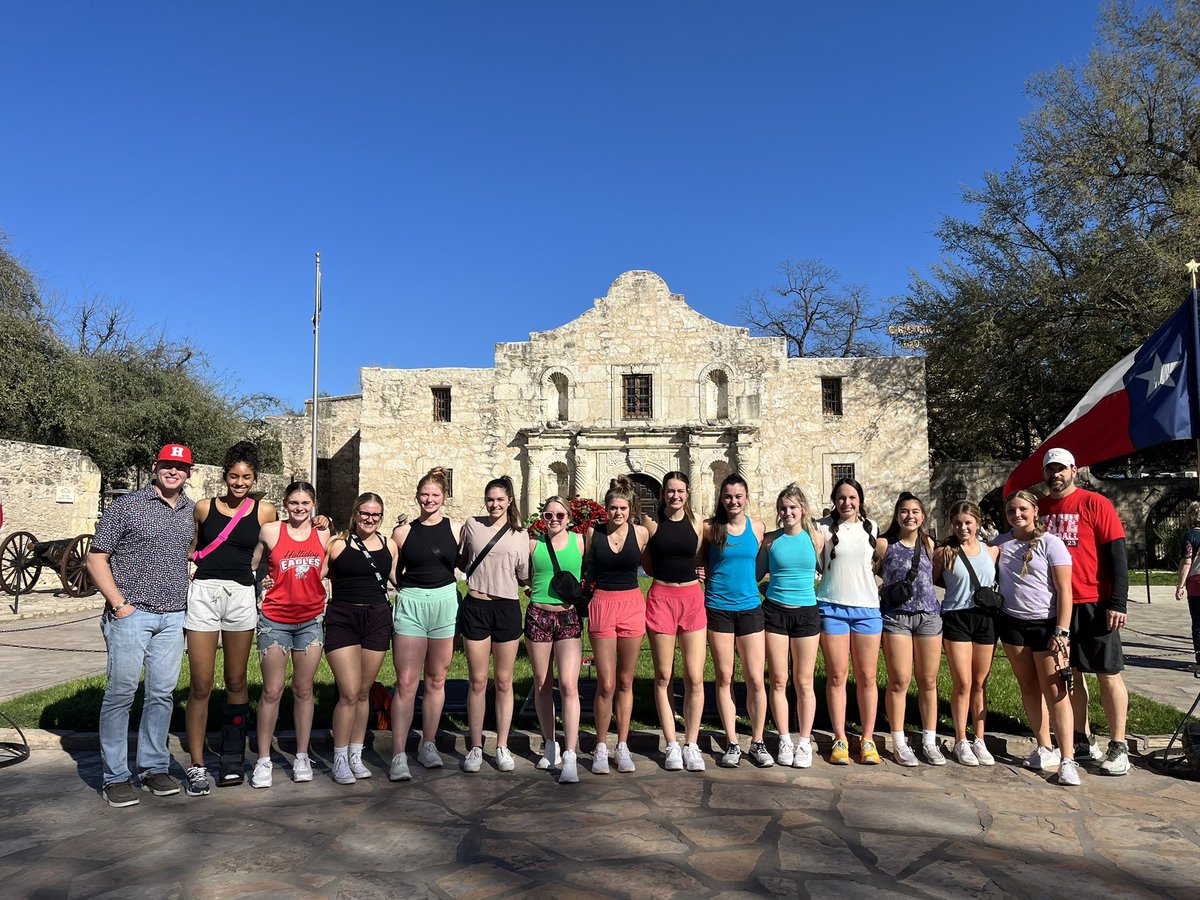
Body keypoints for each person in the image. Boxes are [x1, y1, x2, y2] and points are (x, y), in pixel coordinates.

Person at [88, 443, 197, 808]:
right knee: (121, 694)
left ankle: (152, 767)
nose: (173, 472)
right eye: (167, 465)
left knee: (161, 695)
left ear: (189, 473)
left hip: (172, 616)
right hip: (131, 615)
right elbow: (96, 557)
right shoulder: (127, 506)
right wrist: (119, 605)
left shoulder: (188, 511)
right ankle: (115, 776)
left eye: (180, 467)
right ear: (155, 467)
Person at [184, 441, 278, 792]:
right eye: (234, 476)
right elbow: (191, 548)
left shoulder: (265, 511)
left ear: (254, 479)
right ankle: (196, 763)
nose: (240, 483)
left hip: (241, 594)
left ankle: (232, 757)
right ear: (224, 476)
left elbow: (282, 542)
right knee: (201, 684)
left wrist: (322, 520)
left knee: (237, 681)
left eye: (247, 477)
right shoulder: (204, 508)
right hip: (205, 593)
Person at [1038, 447, 1131, 776]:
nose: (1055, 475)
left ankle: (1119, 745)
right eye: (1050, 469)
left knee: (1108, 674)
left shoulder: (1095, 503)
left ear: (1074, 470)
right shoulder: (1040, 508)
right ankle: (1083, 737)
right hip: (1056, 604)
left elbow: (1116, 552)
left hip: (1095, 601)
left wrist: (1118, 601)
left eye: (1061, 469)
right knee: (1071, 674)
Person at [996, 489, 1080, 786]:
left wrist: (1062, 630)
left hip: (1047, 626)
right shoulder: (1000, 543)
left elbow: (1065, 591)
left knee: (1056, 693)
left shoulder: (1051, 543)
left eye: (1022, 509)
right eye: (1010, 511)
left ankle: (1068, 758)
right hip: (1012, 624)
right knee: (1029, 688)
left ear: (1034, 511)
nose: (1016, 515)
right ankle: (1045, 746)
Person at [248, 481, 329, 788]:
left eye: (305, 503)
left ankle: (302, 755)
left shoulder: (323, 533)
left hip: (309, 620)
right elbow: (253, 565)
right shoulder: (270, 531)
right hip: (275, 620)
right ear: (285, 503)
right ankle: (264, 759)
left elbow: (327, 568)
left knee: (304, 690)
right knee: (272, 690)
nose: (299, 508)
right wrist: (260, 585)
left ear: (313, 505)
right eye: (294, 502)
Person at [388, 468, 461, 780]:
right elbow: (393, 571)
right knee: (406, 681)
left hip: (445, 601)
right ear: (417, 497)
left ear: (444, 498)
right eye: (425, 495)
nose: (429, 499)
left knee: (437, 679)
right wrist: (409, 591)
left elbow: (466, 562)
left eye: (435, 495)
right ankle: (398, 753)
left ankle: (428, 743)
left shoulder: (456, 529)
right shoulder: (402, 532)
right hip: (412, 602)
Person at [322, 492, 397, 784]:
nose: (370, 519)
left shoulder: (388, 544)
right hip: (343, 618)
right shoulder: (338, 544)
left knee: (365, 691)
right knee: (349, 691)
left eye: (376, 515)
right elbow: (317, 577)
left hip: (377, 619)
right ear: (355, 513)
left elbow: (397, 579)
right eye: (365, 513)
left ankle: (356, 753)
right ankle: (339, 757)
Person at [457, 475, 529, 773]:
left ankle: (501, 745)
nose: (495, 504)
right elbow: (462, 560)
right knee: (477, 681)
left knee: (503, 681)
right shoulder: (472, 525)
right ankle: (475, 745)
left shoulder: (520, 534)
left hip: (507, 608)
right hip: (476, 605)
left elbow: (524, 575)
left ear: (510, 501)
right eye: (490, 499)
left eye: (500, 499)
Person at [703, 472, 771, 768]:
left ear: (747, 498)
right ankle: (732, 742)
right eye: (728, 496)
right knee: (725, 676)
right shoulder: (710, 529)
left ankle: (757, 741)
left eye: (738, 496)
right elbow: (696, 559)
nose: (733, 501)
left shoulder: (757, 528)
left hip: (750, 607)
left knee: (756, 678)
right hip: (718, 607)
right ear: (721, 498)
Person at [642, 471, 707, 772]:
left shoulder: (698, 523)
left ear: (688, 492)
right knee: (664, 675)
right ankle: (671, 743)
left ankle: (691, 743)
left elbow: (696, 558)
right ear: (663, 493)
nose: (675, 496)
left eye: (680, 491)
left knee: (694, 677)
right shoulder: (651, 522)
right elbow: (647, 562)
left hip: (692, 599)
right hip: (662, 598)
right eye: (670, 491)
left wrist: (697, 574)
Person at [816, 477, 883, 765]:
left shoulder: (873, 528)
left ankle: (867, 738)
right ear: (834, 500)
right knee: (837, 676)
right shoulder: (822, 528)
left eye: (852, 497)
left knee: (867, 677)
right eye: (841, 498)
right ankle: (840, 737)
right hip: (832, 607)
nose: (847, 503)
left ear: (860, 500)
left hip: (867, 608)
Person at [757, 484, 824, 769]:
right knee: (779, 679)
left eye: (793, 508)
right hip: (775, 613)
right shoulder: (771, 541)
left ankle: (804, 741)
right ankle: (784, 738)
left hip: (807, 613)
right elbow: (755, 573)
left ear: (803, 509)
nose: (788, 513)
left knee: (804, 681)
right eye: (783, 508)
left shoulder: (816, 538)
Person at [586, 475, 650, 774]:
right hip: (602, 603)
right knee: (606, 683)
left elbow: (660, 562)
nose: (618, 513)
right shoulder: (592, 533)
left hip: (631, 605)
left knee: (625, 681)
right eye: (613, 508)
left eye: (623, 508)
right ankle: (601, 745)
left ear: (631, 509)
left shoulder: (641, 533)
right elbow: (583, 567)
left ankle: (622, 744)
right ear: (605, 508)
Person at [876, 492, 943, 767]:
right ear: (896, 515)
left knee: (928, 682)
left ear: (923, 516)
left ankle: (929, 740)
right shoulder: (884, 544)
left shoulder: (929, 544)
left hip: (928, 616)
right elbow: (868, 573)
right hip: (896, 618)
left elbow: (937, 575)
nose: (910, 516)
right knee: (899, 681)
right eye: (904, 511)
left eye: (915, 511)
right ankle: (899, 741)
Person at [933, 500, 999, 766]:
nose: (963, 528)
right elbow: (934, 578)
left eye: (968, 522)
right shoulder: (944, 553)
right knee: (963, 682)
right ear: (952, 525)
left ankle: (979, 739)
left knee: (980, 682)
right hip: (956, 617)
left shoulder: (992, 551)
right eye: (958, 523)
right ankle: (961, 738)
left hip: (985, 618)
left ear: (977, 523)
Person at [526, 495, 584, 784]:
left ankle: (570, 753)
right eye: (549, 515)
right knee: (542, 683)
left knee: (569, 684)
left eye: (560, 515)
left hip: (568, 616)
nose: (554, 520)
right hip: (539, 614)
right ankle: (550, 744)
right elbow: (522, 574)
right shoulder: (533, 544)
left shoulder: (580, 542)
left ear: (569, 517)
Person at [1175, 500, 1200, 667]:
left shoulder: (1190, 535)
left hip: (1197, 581)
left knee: (1198, 623)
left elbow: (1187, 562)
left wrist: (1180, 586)